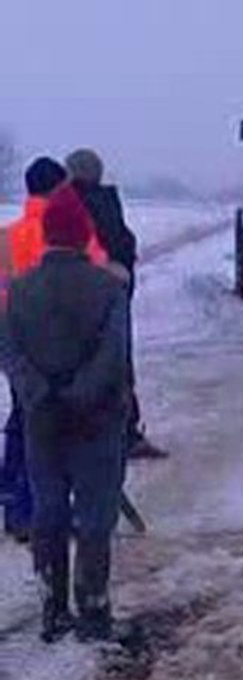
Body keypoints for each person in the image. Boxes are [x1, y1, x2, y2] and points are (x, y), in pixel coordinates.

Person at [3, 185, 130, 643]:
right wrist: (81, 392)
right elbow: (115, 355)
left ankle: (52, 608)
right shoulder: (109, 288)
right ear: (82, 235)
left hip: (42, 420)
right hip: (95, 420)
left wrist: (39, 391)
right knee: (95, 516)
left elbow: (10, 351)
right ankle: (93, 608)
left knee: (48, 513)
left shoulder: (18, 291)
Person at [1, 158, 108, 544]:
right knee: (67, 432)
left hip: (20, 346)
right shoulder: (72, 231)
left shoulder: (7, 237)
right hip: (70, 348)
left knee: (23, 419)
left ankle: (16, 503)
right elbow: (95, 285)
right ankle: (57, 510)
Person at [65, 149, 166, 461]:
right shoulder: (108, 203)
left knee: (77, 366)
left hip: (79, 301)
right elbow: (124, 249)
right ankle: (124, 432)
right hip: (113, 298)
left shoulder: (72, 206)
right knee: (117, 366)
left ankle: (89, 436)